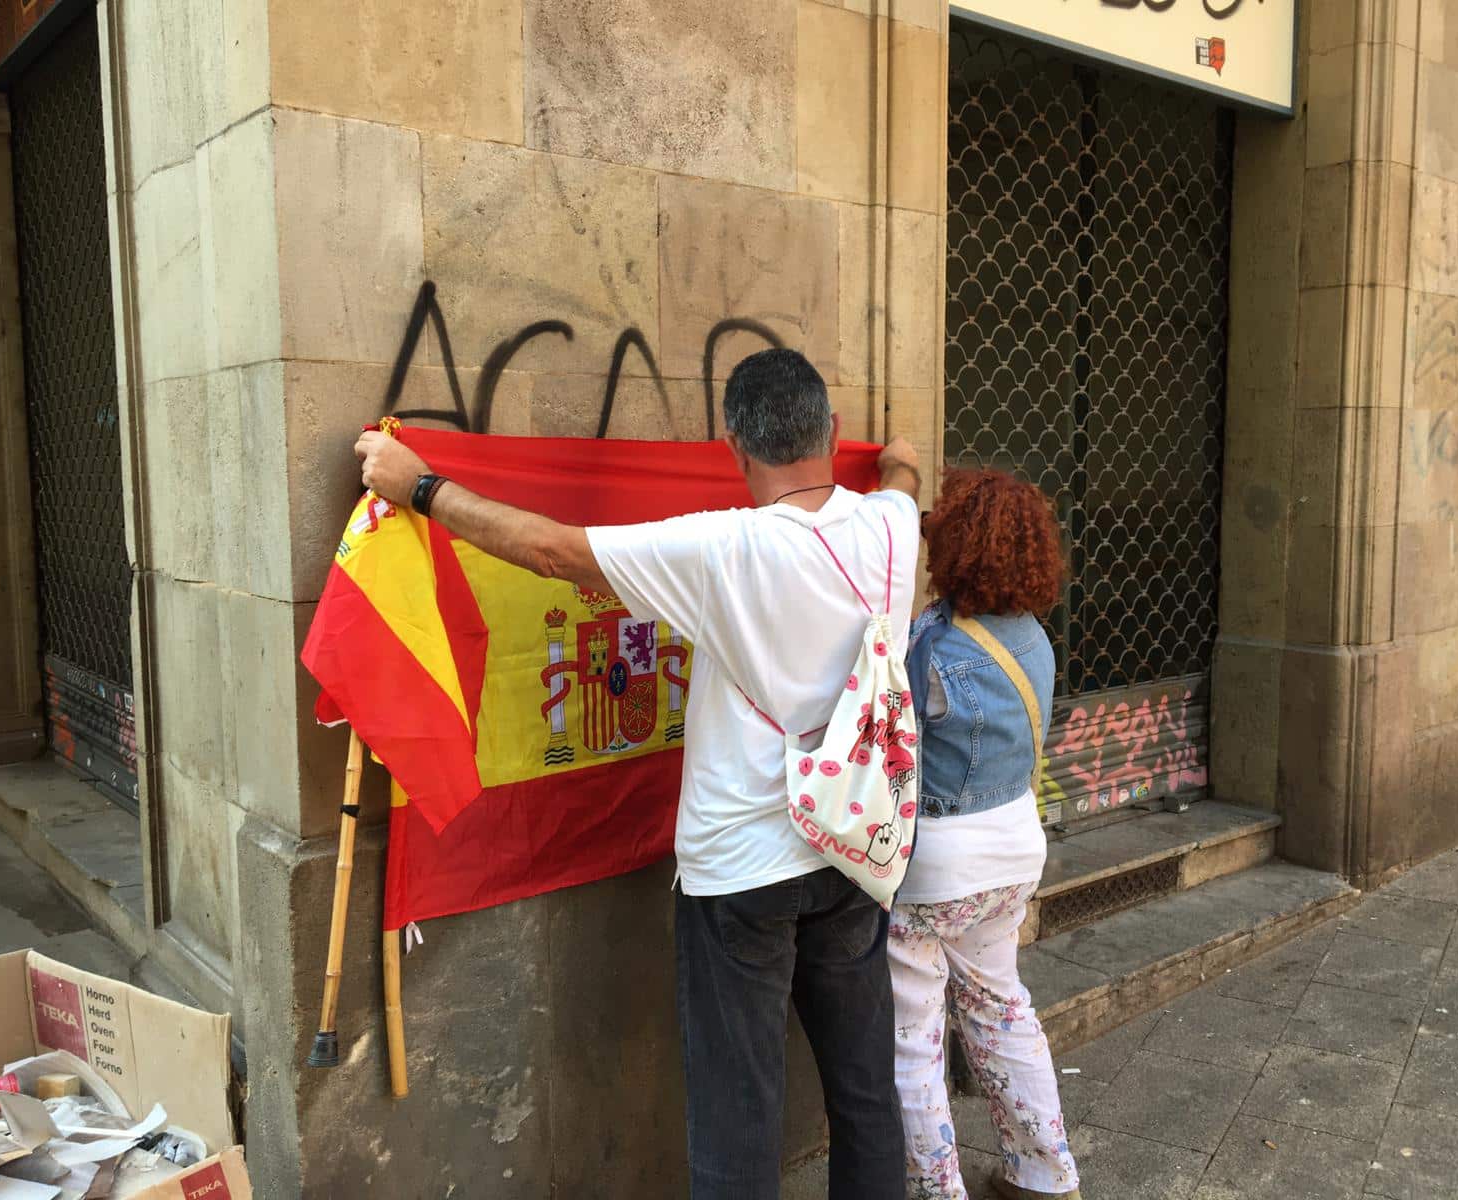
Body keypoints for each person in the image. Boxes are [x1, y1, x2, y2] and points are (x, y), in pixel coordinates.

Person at [355, 348, 921, 1200]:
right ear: (830, 432)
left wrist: (420, 485)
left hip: (743, 876)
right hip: (855, 848)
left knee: (739, 1116)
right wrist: (899, 455)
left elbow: (551, 552)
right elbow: (908, 476)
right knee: (866, 1095)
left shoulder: (722, 547)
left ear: (733, 444)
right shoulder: (893, 526)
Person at [889, 469, 1081, 1200]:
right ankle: (1046, 1171)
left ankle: (939, 1191)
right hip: (1014, 852)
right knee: (1002, 1008)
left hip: (935, 866)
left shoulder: (931, 646)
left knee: (912, 1035)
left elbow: (889, 740)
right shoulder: (1036, 642)